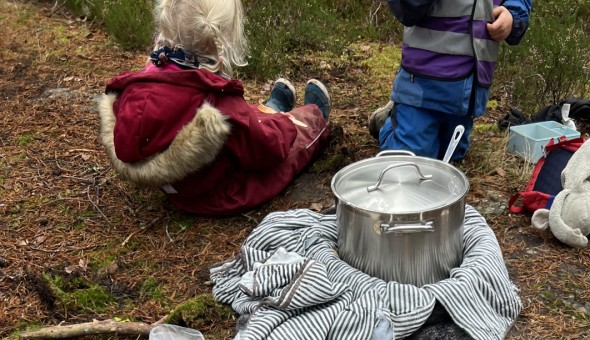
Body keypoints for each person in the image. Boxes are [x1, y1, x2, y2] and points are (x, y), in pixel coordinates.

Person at [98, 0, 331, 216]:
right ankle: (314, 115)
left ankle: (272, 107)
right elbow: (268, 150)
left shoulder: (135, 88)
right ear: (223, 39)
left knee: (240, 119)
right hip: (220, 194)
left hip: (177, 190)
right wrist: (285, 127)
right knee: (287, 139)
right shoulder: (218, 103)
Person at [370, 0, 531, 162]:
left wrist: (512, 15)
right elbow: (406, 10)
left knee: (451, 156)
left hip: (467, 89)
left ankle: (402, 119)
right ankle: (392, 123)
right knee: (411, 160)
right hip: (421, 83)